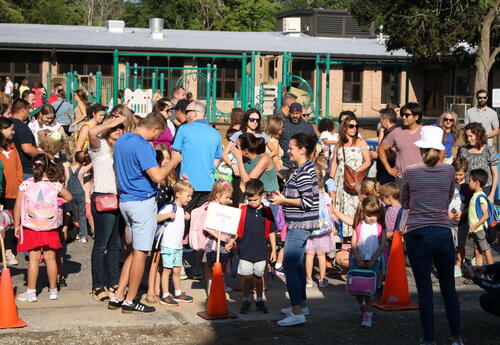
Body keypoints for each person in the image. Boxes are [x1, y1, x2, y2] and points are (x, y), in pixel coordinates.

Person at [401, 125, 462, 345]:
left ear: (421, 149)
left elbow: (404, 201)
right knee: (448, 288)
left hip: (417, 233)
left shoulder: (410, 171)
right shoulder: (449, 171)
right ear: (438, 150)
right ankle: (456, 338)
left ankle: (429, 339)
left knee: (425, 290)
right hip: (443, 232)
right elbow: (447, 197)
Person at [109, 112, 173, 313]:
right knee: (140, 253)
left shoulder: (122, 140)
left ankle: (119, 296)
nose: (157, 138)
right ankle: (130, 300)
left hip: (125, 200)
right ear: (154, 129)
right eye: (158, 134)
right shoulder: (144, 145)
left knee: (132, 252)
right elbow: (157, 176)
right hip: (141, 201)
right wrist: (174, 162)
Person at [271, 133, 319, 327]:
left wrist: (283, 200)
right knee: (297, 265)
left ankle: (297, 312)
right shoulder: (301, 169)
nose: (288, 151)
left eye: (291, 148)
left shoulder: (305, 171)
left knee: (290, 266)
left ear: (302, 150)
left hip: (300, 225)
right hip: (297, 223)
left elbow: (308, 202)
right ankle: (302, 305)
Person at [14, 154, 72, 302]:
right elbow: (69, 197)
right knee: (50, 258)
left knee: (33, 259)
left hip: (30, 225)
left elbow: (18, 206)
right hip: (50, 226)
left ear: (34, 167)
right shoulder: (55, 185)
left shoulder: (26, 184)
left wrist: (16, 224)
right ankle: (53, 291)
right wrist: (56, 201)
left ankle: (31, 292)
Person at [89, 115, 125, 302]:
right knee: (101, 244)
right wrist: (109, 122)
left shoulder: (121, 148)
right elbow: (91, 132)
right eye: (115, 127)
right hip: (103, 199)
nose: (118, 130)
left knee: (114, 245)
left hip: (119, 199)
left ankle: (113, 281)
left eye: (121, 127)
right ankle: (97, 285)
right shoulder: (99, 146)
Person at [169, 101, 222, 222]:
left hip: (187, 183)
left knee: (183, 219)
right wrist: (208, 169)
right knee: (200, 221)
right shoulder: (216, 134)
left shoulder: (183, 129)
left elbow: (175, 155)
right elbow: (217, 159)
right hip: (208, 184)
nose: (185, 114)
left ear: (196, 113)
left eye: (187, 112)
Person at [237, 179, 277, 314]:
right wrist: (231, 242)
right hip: (244, 249)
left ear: (261, 196)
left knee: (259, 276)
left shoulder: (267, 211)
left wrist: (274, 250)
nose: (252, 202)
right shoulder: (242, 210)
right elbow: (235, 229)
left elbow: (272, 231)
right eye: (249, 200)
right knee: (246, 277)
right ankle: (246, 299)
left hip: (261, 249)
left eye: (254, 199)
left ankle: (259, 300)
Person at [329, 113, 371, 238]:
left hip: (354, 180)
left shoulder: (360, 142)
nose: (354, 129)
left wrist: (356, 171)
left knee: (353, 206)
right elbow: (335, 164)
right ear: (345, 127)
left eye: (356, 126)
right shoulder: (339, 143)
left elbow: (367, 162)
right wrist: (331, 183)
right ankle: (342, 235)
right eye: (351, 126)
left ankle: (353, 234)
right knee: (340, 205)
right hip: (340, 180)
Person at [146, 147, 177, 304]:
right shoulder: (155, 180)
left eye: (168, 158)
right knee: (155, 259)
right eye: (163, 158)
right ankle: (151, 290)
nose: (166, 161)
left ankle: (158, 289)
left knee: (161, 260)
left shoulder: (171, 179)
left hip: (167, 225)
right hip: (157, 223)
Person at [350, 195, 387, 327]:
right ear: (363, 212)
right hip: (357, 260)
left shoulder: (380, 226)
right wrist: (358, 259)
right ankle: (362, 305)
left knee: (369, 289)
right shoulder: (358, 225)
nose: (372, 218)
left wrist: (373, 259)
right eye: (369, 215)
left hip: (373, 261)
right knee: (357, 288)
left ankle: (368, 314)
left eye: (375, 215)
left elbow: (382, 244)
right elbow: (353, 243)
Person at [158, 180, 194, 306]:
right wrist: (168, 215)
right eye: (188, 195)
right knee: (167, 270)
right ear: (178, 194)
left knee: (177, 269)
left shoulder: (181, 209)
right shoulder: (170, 207)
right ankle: (165, 294)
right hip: (168, 244)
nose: (190, 199)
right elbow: (156, 217)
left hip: (178, 246)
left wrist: (185, 216)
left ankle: (178, 292)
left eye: (190, 196)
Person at [202, 179, 235, 293]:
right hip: (213, 241)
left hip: (223, 239)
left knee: (222, 263)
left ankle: (220, 283)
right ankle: (211, 285)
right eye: (227, 197)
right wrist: (218, 236)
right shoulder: (213, 206)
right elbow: (207, 226)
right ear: (218, 195)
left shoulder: (222, 205)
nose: (229, 200)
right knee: (211, 263)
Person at [305, 162, 335, 288]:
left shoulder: (307, 195)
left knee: (309, 254)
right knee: (321, 255)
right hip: (323, 228)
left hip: (310, 226)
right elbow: (330, 210)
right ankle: (322, 278)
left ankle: (308, 279)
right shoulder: (324, 195)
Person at [378, 102, 425, 180]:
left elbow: (442, 150)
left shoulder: (426, 131)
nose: (403, 117)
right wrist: (389, 169)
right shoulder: (396, 132)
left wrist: (433, 169)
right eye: (402, 115)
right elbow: (380, 149)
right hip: (402, 179)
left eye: (407, 115)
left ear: (416, 117)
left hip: (421, 178)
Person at [0, 117, 23, 266]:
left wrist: (20, 184)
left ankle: (9, 251)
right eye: (10, 129)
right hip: (2, 191)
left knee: (10, 222)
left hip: (13, 192)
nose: (13, 132)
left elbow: (18, 168)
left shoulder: (13, 147)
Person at [458, 122, 498, 202]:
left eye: (471, 136)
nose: (468, 139)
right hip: (466, 188)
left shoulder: (489, 150)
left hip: (485, 189)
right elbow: (459, 169)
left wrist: (492, 194)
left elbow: (495, 174)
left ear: (478, 136)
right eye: (467, 136)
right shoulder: (463, 150)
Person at [467, 169, 494, 267]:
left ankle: (493, 272)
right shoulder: (475, 195)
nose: (468, 182)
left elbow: (485, 215)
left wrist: (474, 226)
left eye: (470, 180)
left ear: (476, 183)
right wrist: (472, 230)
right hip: (476, 231)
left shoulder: (481, 197)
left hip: (480, 230)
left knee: (486, 251)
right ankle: (478, 273)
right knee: (477, 252)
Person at [279, 102, 317, 170]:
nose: (295, 116)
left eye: (297, 113)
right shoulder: (282, 125)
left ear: (301, 113)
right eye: (293, 113)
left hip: (303, 165)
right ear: (289, 113)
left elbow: (313, 144)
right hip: (285, 164)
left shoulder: (307, 126)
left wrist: (310, 161)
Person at [66, 151, 92, 243]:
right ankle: (83, 236)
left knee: (71, 214)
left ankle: (73, 233)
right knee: (82, 214)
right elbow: (93, 163)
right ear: (84, 162)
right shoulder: (83, 169)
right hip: (80, 194)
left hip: (68, 194)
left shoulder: (66, 168)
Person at [450, 158, 469, 278]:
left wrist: (463, 213)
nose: (457, 177)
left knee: (460, 245)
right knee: (449, 244)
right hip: (448, 221)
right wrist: (446, 212)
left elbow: (470, 204)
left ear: (465, 173)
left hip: (462, 222)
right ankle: (451, 263)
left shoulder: (467, 187)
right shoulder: (449, 184)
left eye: (460, 175)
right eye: (455, 174)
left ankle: (458, 264)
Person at [11, 99, 39, 179]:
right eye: (28, 110)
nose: (28, 113)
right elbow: (27, 149)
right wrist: (44, 154)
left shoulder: (6, 124)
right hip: (25, 170)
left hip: (11, 167)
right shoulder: (22, 127)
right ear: (23, 110)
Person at [375, 108, 398, 184]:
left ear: (385, 120)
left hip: (389, 175)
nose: (380, 121)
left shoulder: (395, 133)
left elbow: (398, 154)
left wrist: (378, 156)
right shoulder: (388, 132)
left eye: (380, 119)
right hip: (384, 173)